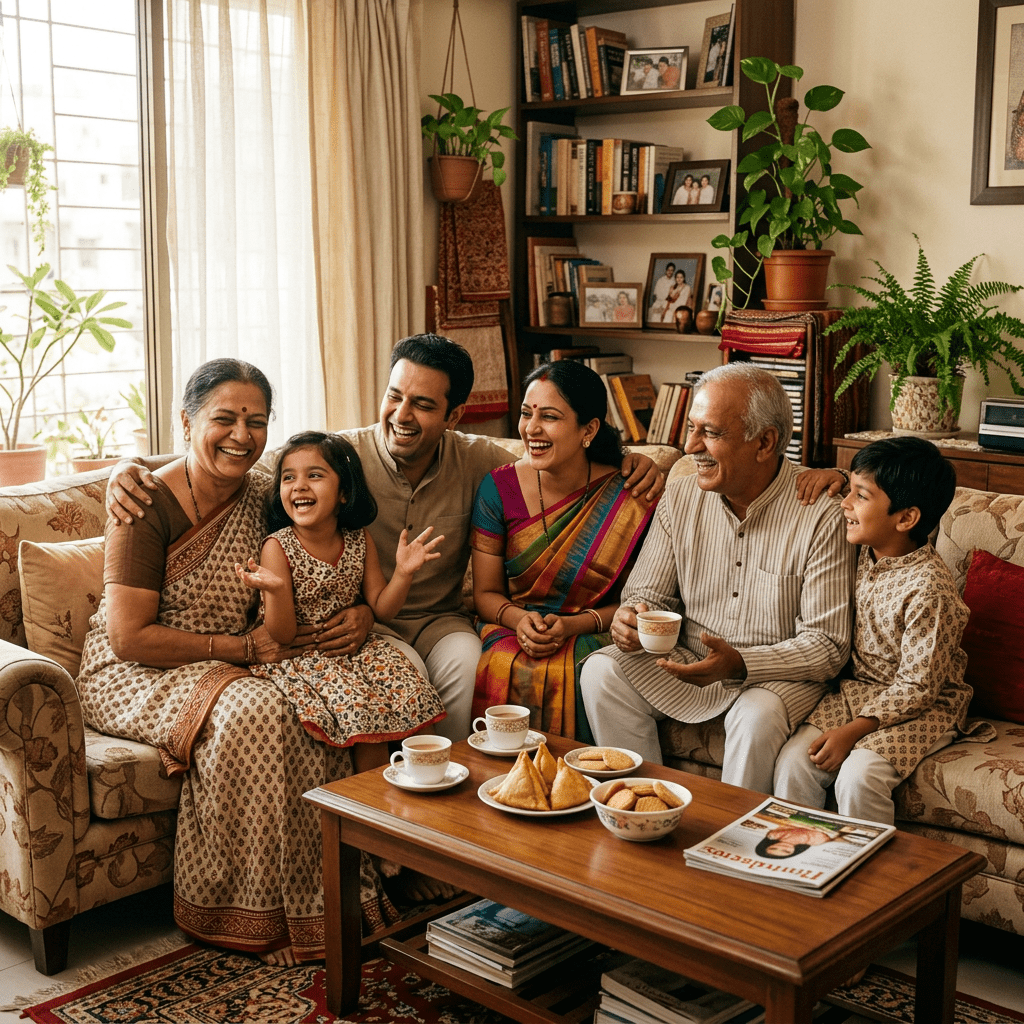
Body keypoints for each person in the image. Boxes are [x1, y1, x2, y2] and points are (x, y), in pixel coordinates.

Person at [105, 335, 665, 744]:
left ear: (455, 413)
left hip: (441, 619)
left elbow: (549, 459)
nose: (402, 415)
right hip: (360, 623)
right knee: (406, 677)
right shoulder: (337, 457)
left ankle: (450, 811)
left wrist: (631, 461)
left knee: (467, 658)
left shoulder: (482, 463)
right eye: (395, 396)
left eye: (423, 404)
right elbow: (242, 461)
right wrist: (126, 470)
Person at [77, 359, 406, 967]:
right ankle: (244, 912)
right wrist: (238, 650)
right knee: (260, 711)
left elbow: (332, 512)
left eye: (256, 422)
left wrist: (364, 612)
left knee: (322, 699)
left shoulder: (268, 489)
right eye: (223, 418)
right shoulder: (143, 506)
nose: (241, 435)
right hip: (139, 671)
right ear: (185, 421)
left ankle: (332, 902)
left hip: (246, 659)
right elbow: (127, 639)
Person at [580, 362, 855, 793]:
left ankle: (733, 843)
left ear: (765, 442)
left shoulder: (821, 510)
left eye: (710, 432)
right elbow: (647, 591)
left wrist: (742, 663)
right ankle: (645, 805)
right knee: (602, 673)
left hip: (773, 676)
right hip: (689, 660)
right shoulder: (683, 491)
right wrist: (633, 617)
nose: (691, 446)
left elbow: (828, 646)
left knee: (756, 716)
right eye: (691, 428)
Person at [773, 436, 997, 825]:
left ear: (906, 518)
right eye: (851, 492)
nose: (845, 504)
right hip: (857, 692)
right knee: (795, 762)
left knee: (859, 777)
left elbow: (918, 687)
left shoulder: (930, 589)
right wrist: (840, 477)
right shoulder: (867, 546)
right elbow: (857, 485)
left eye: (860, 497)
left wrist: (851, 733)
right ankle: (798, 866)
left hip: (926, 705)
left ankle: (872, 879)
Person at [236, 431, 447, 769]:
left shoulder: (358, 539)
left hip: (359, 650)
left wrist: (405, 573)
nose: (299, 486)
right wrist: (275, 591)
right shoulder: (277, 547)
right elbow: (283, 635)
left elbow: (383, 608)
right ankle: (371, 812)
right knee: (364, 712)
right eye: (289, 477)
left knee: (413, 690)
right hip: (306, 658)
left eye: (314, 475)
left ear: (344, 493)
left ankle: (434, 784)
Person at [470, 361, 657, 741]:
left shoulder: (629, 495)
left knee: (584, 667)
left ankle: (584, 789)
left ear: (588, 429)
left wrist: (572, 625)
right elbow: (485, 593)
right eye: (526, 413)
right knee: (504, 659)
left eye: (550, 417)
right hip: (513, 625)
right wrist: (519, 620)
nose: (531, 428)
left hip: (594, 628)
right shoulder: (498, 488)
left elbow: (636, 603)